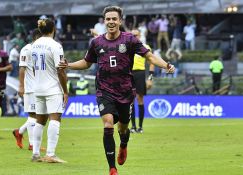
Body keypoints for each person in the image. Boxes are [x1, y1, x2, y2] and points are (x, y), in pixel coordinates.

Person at [59, 6, 175, 175]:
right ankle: (112, 168)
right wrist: (68, 65)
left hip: (126, 92)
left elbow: (149, 56)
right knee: (107, 123)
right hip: (104, 90)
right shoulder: (96, 42)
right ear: (104, 21)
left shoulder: (130, 40)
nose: (111, 22)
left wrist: (166, 65)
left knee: (122, 128)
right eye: (108, 19)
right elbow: (86, 62)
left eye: (114, 19)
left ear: (120, 21)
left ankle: (123, 145)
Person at [31, 18, 68, 163]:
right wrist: (65, 90)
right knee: (55, 119)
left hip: (38, 87)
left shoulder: (34, 45)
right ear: (54, 30)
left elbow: (34, 68)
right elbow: (60, 70)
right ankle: (51, 154)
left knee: (40, 121)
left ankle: (35, 154)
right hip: (52, 88)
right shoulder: (55, 46)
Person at [12, 28, 42, 150]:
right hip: (31, 88)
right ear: (36, 38)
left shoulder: (42, 50)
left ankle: (19, 132)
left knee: (39, 116)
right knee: (33, 115)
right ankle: (32, 144)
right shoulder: (27, 49)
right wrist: (21, 86)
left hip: (41, 87)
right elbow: (22, 68)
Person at [130, 29, 154, 134]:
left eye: (136, 35)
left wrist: (150, 78)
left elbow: (152, 62)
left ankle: (140, 127)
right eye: (132, 35)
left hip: (140, 73)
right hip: (129, 74)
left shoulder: (145, 47)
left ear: (140, 36)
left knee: (140, 99)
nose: (134, 36)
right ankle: (133, 127)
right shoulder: (126, 47)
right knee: (130, 101)